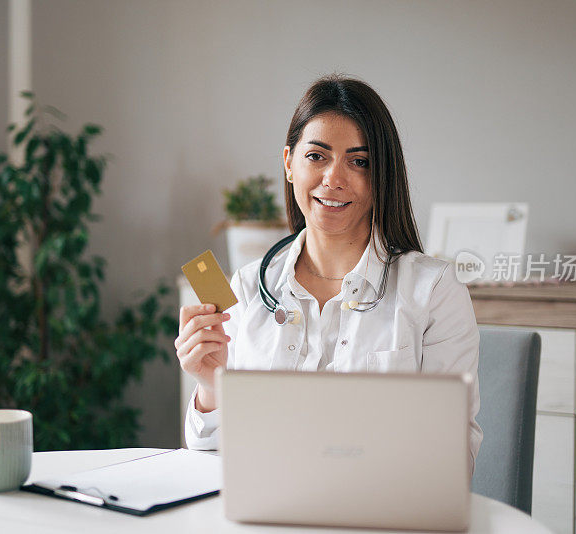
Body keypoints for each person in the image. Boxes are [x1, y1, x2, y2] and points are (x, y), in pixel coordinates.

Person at [174, 74, 482, 476]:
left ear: (381, 177)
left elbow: (453, 459)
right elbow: (209, 459)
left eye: (359, 161)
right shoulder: (248, 289)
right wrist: (211, 386)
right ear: (288, 164)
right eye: (316, 156)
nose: (333, 179)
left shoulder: (434, 292)